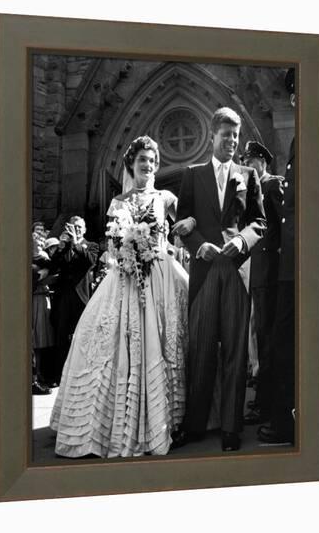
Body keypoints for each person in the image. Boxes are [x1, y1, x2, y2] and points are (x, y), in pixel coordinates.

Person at [50, 135, 192, 458]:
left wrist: (181, 236)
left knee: (167, 336)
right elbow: (111, 243)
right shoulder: (119, 203)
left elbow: (184, 227)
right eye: (143, 159)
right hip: (127, 274)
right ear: (132, 164)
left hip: (159, 274)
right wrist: (125, 245)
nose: (149, 165)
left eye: (153, 161)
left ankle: (168, 419)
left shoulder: (166, 198)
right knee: (106, 338)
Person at [173, 107, 266, 451]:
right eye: (226, 134)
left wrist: (242, 240)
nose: (231, 141)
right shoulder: (192, 174)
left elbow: (260, 222)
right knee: (201, 350)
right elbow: (183, 221)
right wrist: (199, 247)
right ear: (212, 136)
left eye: (236, 135)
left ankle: (231, 427)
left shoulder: (247, 175)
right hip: (204, 270)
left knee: (235, 352)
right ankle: (196, 424)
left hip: (237, 270)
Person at [257, 68, 296, 444]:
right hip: (282, 266)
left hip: (293, 264)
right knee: (275, 337)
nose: (297, 100)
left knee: (283, 338)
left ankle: (285, 420)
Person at [241, 141, 283, 425]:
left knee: (268, 338)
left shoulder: (272, 186)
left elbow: (282, 226)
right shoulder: (254, 191)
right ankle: (263, 400)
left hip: (270, 271)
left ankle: (267, 404)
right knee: (259, 335)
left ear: (262, 162)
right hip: (257, 272)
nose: (248, 166)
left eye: (251, 161)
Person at [49, 216, 99, 384]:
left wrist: (77, 242)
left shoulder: (91, 246)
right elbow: (53, 266)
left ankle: (82, 374)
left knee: (83, 336)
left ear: (84, 229)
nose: (76, 230)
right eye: (73, 227)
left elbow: (90, 262)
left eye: (79, 227)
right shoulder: (64, 245)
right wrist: (63, 247)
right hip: (64, 297)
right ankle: (60, 376)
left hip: (81, 297)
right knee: (62, 335)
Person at [32, 237, 60, 393]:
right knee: (36, 339)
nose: (41, 243)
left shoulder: (44, 259)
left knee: (43, 340)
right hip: (36, 299)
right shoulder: (33, 262)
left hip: (44, 297)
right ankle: (35, 377)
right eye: (37, 241)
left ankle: (42, 374)